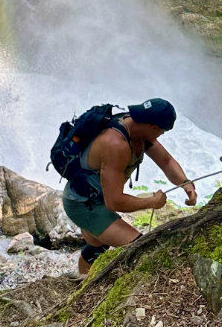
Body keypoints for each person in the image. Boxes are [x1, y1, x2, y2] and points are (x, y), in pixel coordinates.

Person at [60, 98, 198, 274]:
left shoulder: (137, 128)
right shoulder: (116, 145)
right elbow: (115, 202)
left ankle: (83, 281)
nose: (160, 136)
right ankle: (84, 286)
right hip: (84, 204)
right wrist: (152, 202)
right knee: (142, 250)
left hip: (94, 198)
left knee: (97, 247)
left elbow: (166, 160)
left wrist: (186, 184)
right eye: (161, 132)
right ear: (153, 127)